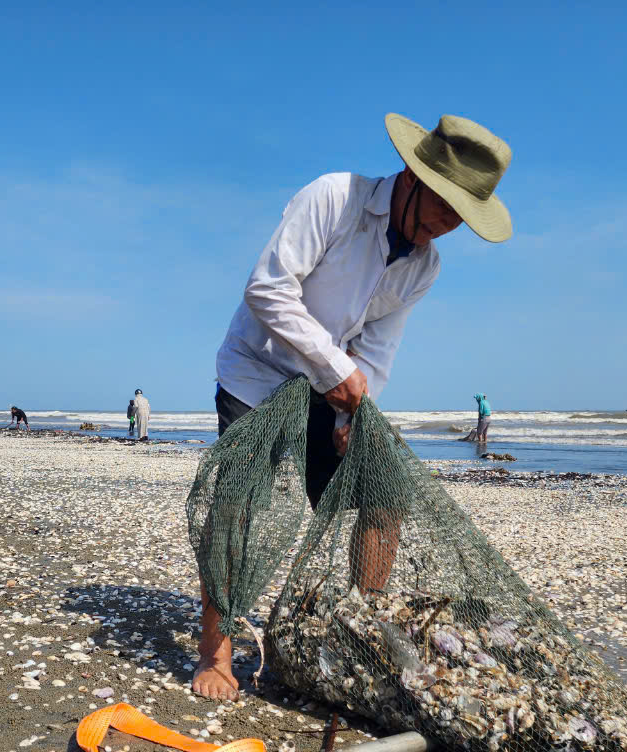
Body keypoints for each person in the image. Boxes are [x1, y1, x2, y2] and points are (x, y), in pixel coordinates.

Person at [194, 112, 512, 701]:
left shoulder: (424, 265)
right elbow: (268, 288)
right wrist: (335, 370)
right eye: (445, 206)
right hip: (257, 372)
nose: (448, 226)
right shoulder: (333, 198)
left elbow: (378, 350)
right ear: (414, 178)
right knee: (236, 504)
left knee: (383, 493)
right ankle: (215, 652)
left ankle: (362, 635)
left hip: (326, 389)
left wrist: (350, 417)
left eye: (462, 218)